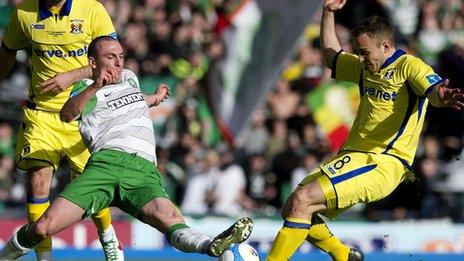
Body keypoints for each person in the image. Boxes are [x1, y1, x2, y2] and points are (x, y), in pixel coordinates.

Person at [0, 36, 254, 261]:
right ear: (93, 62)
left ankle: (213, 246)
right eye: (111, 57)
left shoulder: (130, 77)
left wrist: (153, 99)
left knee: (172, 220)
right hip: (105, 165)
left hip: (143, 170)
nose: (119, 63)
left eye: (121, 56)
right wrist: (94, 86)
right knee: (43, 227)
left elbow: (132, 99)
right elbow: (67, 115)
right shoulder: (83, 92)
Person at [266, 0, 464, 260]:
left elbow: (433, 91)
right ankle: (343, 255)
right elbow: (331, 57)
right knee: (293, 205)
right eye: (358, 52)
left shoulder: (408, 66)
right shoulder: (365, 67)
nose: (360, 58)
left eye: (364, 52)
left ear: (385, 46)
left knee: (303, 199)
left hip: (382, 161)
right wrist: (327, 14)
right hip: (352, 156)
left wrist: (442, 96)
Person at [0, 0, 123, 260]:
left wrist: (73, 75)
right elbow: (8, 50)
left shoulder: (92, 10)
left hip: (84, 111)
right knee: (37, 182)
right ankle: (44, 258)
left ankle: (108, 237)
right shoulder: (24, 14)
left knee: (89, 185)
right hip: (42, 114)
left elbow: (113, 62)